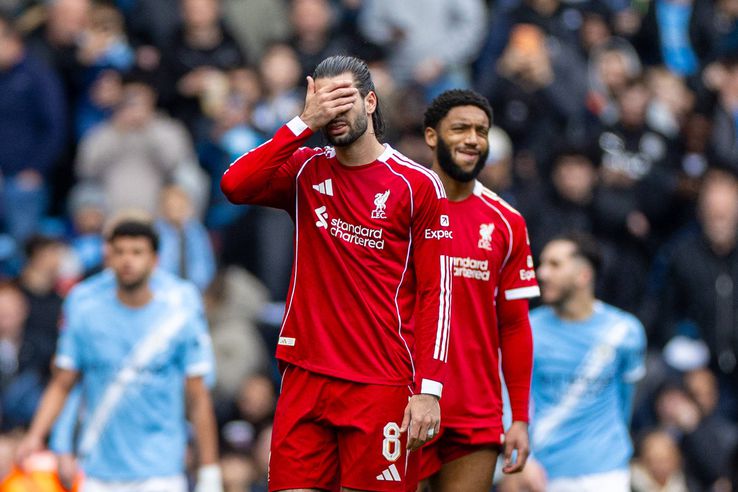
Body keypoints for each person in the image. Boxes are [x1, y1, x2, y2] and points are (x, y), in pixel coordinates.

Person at [221, 55, 451, 491]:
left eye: (343, 100)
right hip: (305, 375)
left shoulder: (416, 184)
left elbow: (437, 294)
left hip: (380, 379)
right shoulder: (306, 169)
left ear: (370, 102)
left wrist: (429, 388)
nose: (334, 113)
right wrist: (302, 123)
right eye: (324, 103)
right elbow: (235, 184)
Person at [15, 220, 223, 492]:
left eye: (137, 252)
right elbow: (63, 384)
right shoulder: (85, 309)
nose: (127, 260)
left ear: (155, 260)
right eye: (120, 252)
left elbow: (198, 396)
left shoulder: (179, 312)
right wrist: (36, 435)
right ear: (108, 258)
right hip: (97, 470)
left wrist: (209, 470)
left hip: (160, 472)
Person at [417, 89, 539, 491]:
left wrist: (519, 418)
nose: (473, 139)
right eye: (460, 128)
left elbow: (515, 326)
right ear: (432, 136)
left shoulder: (507, 222)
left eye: (481, 131)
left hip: (476, 410)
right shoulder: (403, 206)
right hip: (404, 401)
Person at [507, 232, 646, 492]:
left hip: (608, 472)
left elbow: (627, 398)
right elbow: (510, 399)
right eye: (541, 264)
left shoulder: (625, 331)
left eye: (555, 264)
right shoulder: (527, 331)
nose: (541, 273)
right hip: (545, 474)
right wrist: (522, 460)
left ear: (583, 275)